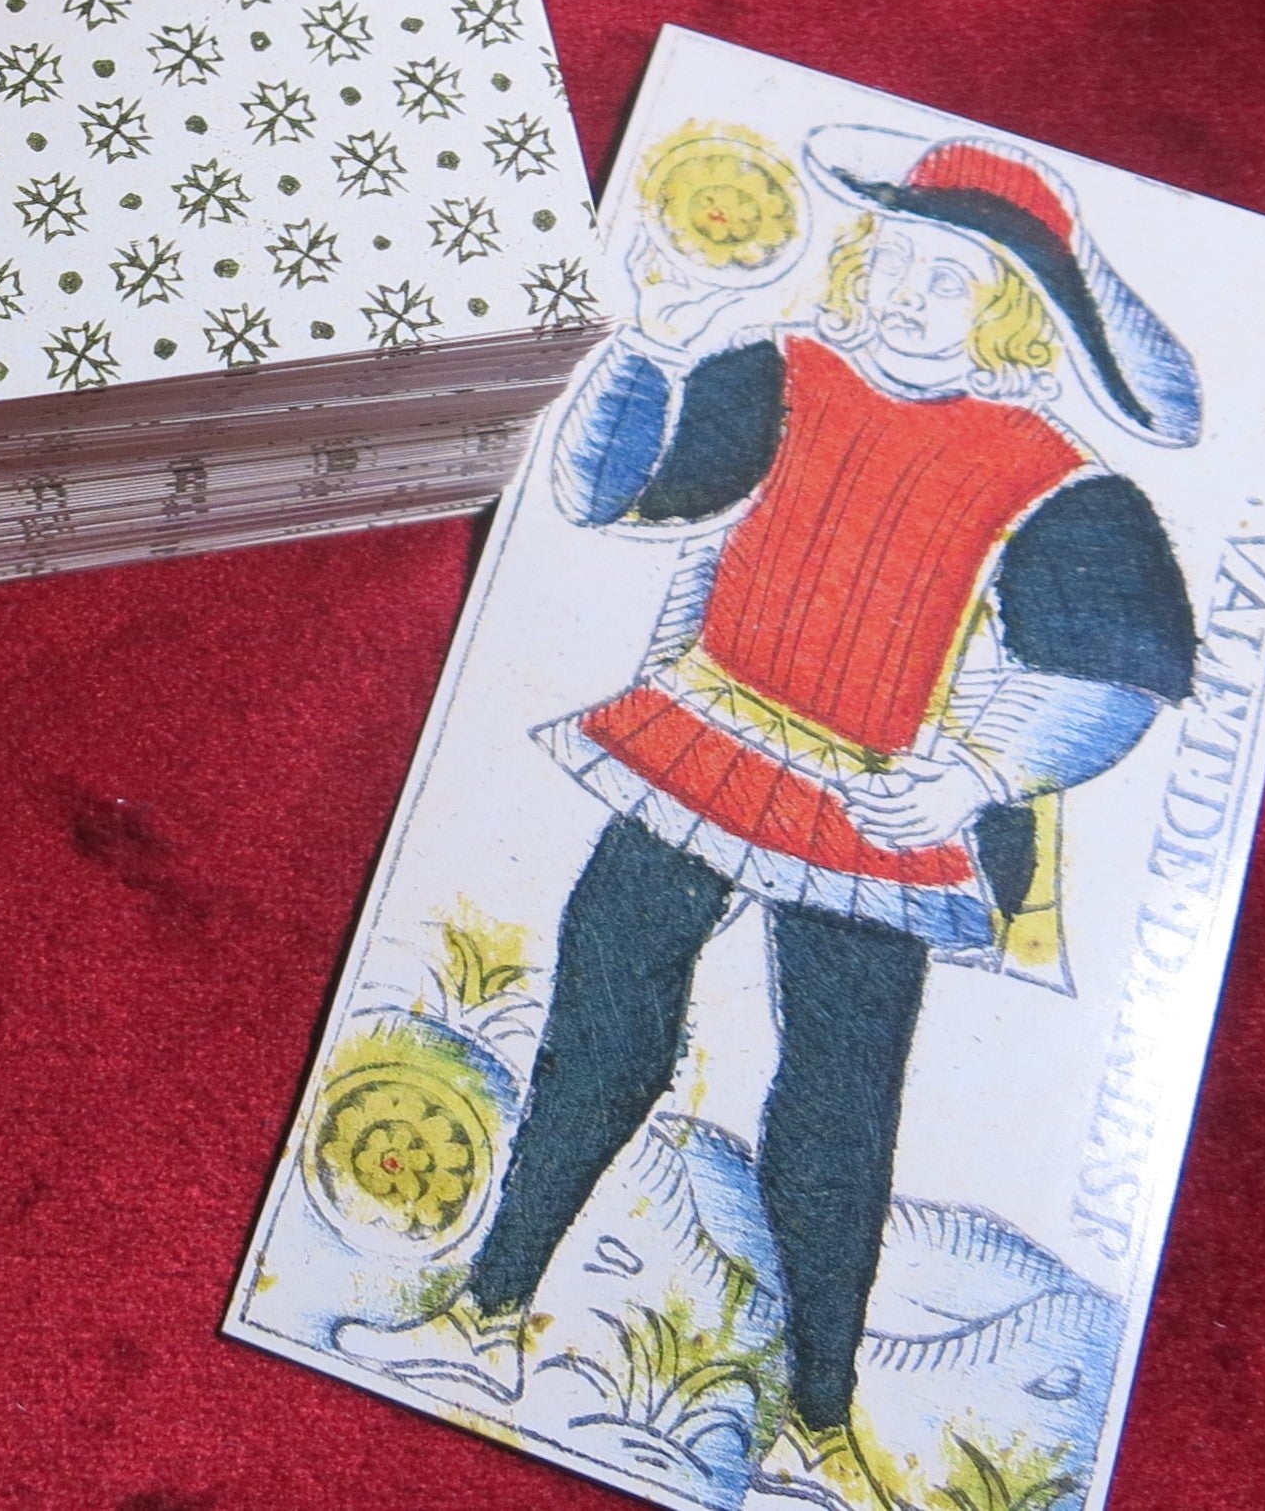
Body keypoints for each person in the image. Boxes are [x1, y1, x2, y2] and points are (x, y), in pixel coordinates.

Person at [336, 126, 1199, 1511]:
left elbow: (1116, 674)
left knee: (837, 1115)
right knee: (598, 1031)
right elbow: (605, 494)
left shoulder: (1058, 481)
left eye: (946, 278)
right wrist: (651, 344)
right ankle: (485, 1318)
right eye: (892, 261)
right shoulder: (781, 371)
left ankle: (818, 1427)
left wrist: (972, 776)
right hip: (700, 745)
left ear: (1006, 312)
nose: (904, 294)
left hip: (877, 812)